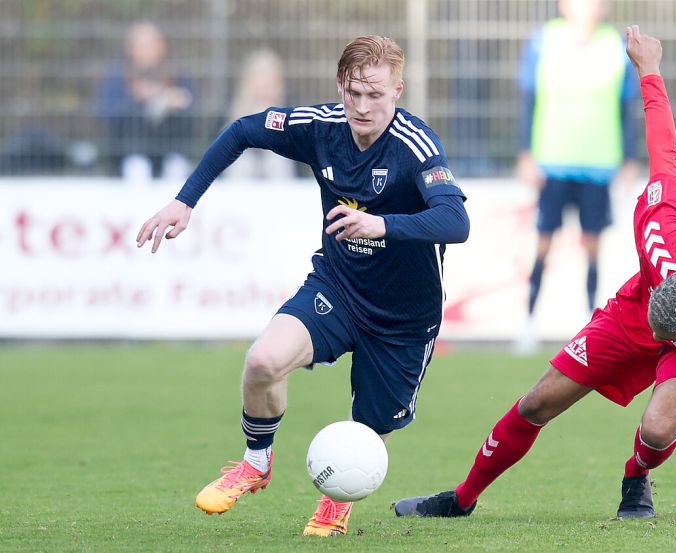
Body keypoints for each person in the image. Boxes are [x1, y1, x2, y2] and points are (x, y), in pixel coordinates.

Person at [394, 27, 676, 524]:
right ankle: (461, 498)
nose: (659, 337)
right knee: (538, 402)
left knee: (656, 427)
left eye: (665, 333)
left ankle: (636, 476)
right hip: (631, 310)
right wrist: (650, 71)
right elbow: (665, 151)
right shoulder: (659, 233)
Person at [135, 35, 469, 537]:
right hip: (338, 287)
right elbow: (242, 131)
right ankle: (255, 462)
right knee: (262, 362)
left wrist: (384, 225)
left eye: (375, 95)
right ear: (340, 85)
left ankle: (336, 501)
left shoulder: (416, 146)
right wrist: (185, 201)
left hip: (404, 315)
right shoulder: (320, 127)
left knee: (367, 428)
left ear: (398, 90)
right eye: (353, 92)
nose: (362, 106)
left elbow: (455, 220)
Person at [513, 0, 640, 353]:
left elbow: (626, 106)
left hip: (599, 165)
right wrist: (525, 152)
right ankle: (528, 323)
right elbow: (528, 99)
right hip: (552, 161)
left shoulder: (615, 46)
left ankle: (590, 325)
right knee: (543, 243)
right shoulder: (543, 41)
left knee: (594, 247)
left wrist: (629, 157)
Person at [98, 21, 195, 181]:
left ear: (161, 46)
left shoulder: (177, 74)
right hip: (131, 152)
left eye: (150, 45)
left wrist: (165, 97)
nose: (145, 51)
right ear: (130, 49)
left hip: (170, 148)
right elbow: (109, 113)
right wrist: (138, 99)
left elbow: (192, 106)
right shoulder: (118, 76)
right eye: (139, 46)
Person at [223, 49, 298, 181]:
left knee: (278, 162)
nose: (263, 84)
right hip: (246, 160)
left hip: (276, 159)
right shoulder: (237, 106)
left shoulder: (290, 106)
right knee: (241, 162)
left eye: (268, 79)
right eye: (259, 78)